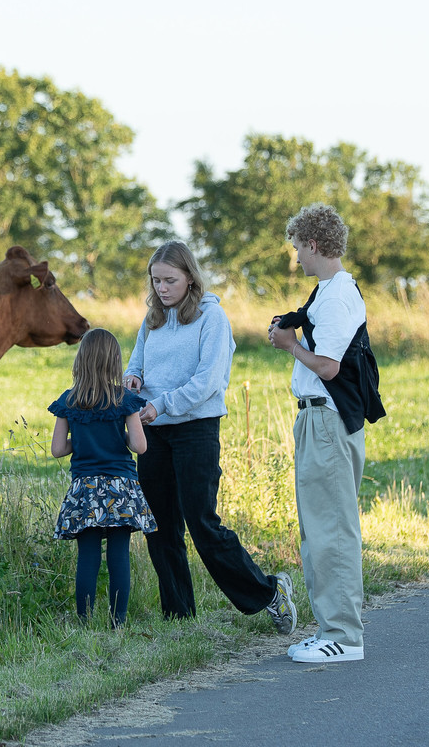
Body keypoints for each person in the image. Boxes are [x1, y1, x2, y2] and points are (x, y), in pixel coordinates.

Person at [123, 241, 297, 635]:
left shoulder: (211, 319)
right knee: (159, 526)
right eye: (156, 281)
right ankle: (178, 616)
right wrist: (133, 379)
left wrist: (160, 404)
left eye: (170, 280)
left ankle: (268, 593)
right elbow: (137, 361)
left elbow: (207, 383)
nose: (163, 288)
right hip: (154, 431)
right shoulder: (152, 318)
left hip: (195, 429)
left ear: (189, 277)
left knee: (201, 522)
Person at [268, 203, 375, 663]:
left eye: (297, 248)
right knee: (320, 529)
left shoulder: (335, 296)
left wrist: (290, 346)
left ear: (313, 244)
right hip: (321, 421)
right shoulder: (328, 292)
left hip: (327, 421)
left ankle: (344, 637)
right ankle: (331, 629)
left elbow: (329, 366)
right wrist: (295, 325)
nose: (296, 258)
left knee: (332, 529)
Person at [50, 327, 157, 627]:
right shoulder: (124, 399)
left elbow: (58, 449)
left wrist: (82, 442)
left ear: (80, 360)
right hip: (120, 489)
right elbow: (140, 446)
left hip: (85, 488)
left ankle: (84, 622)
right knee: (118, 554)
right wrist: (118, 436)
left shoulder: (68, 400)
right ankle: (117, 623)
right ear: (114, 362)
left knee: (88, 556)